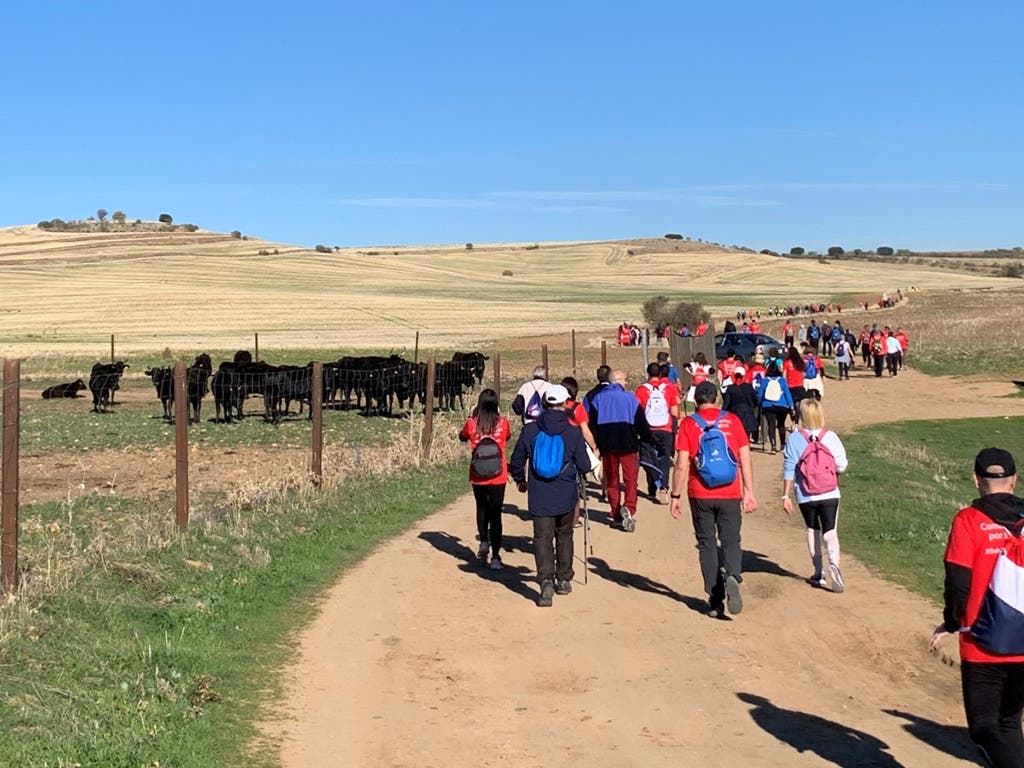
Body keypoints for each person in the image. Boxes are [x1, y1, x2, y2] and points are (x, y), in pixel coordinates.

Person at [932, 448, 1024, 767]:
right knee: (1010, 724)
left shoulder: (968, 520)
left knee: (985, 730)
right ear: (1014, 480)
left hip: (980, 643)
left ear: (976, 480)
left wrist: (952, 621)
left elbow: (958, 580)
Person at [669, 381, 758, 618]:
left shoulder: (689, 425)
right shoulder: (732, 421)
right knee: (731, 540)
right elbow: (745, 459)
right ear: (717, 398)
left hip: (701, 492)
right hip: (730, 492)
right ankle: (732, 574)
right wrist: (748, 491)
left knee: (707, 543)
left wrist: (675, 495)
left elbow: (681, 465)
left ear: (695, 401)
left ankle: (714, 598)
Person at [509, 384, 592, 607]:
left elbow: (516, 461)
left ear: (544, 404)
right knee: (564, 535)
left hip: (539, 495)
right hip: (565, 494)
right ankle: (563, 579)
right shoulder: (573, 432)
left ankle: (545, 579)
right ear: (566, 404)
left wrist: (520, 480)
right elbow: (584, 465)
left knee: (542, 538)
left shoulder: (530, 430)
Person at [781, 399, 848, 591]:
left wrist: (785, 496)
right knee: (830, 531)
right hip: (829, 492)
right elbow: (842, 465)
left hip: (805, 494)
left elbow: (788, 469)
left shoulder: (794, 439)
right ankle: (834, 564)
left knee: (813, 530)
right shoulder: (831, 437)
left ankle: (819, 573)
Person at [589, 369, 655, 532]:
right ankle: (629, 508)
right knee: (630, 479)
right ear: (617, 380)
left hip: (608, 447)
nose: (626, 383)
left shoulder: (598, 399)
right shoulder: (630, 398)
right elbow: (641, 423)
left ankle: (615, 512)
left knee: (612, 480)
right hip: (628, 445)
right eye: (625, 380)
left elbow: (593, 424)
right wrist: (648, 438)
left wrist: (597, 444)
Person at [459, 389, 512, 569]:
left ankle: (483, 541)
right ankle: (496, 557)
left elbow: (462, 437)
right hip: (499, 474)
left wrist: (472, 416)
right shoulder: (503, 423)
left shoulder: (472, 424)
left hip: (478, 474)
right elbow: (508, 437)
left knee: (481, 507)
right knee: (496, 513)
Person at [635, 362, 680, 503]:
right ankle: (664, 487)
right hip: (665, 429)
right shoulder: (669, 389)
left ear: (648, 373)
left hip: (648, 430)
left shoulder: (641, 390)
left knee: (648, 459)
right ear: (661, 374)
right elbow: (674, 412)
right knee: (664, 459)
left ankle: (653, 487)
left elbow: (638, 412)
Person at [755, 361, 795, 454]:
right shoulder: (782, 380)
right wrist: (791, 405)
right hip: (782, 405)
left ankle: (773, 446)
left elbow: (760, 393)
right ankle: (782, 445)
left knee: (771, 425)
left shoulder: (765, 380)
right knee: (781, 425)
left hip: (768, 405)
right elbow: (787, 393)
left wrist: (758, 402)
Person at [722, 366, 758, 443]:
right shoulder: (749, 387)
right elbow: (755, 400)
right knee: (746, 433)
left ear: (734, 375)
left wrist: (722, 414)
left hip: (735, 413)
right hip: (747, 412)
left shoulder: (730, 388)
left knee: (736, 433)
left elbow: (726, 403)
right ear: (744, 376)